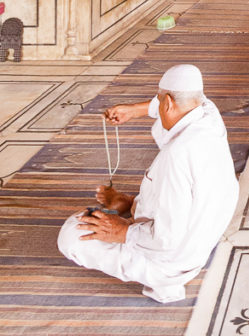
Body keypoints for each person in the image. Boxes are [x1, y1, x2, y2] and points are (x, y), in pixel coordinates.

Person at [58, 64, 239, 304]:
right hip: (203, 230)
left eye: (159, 99)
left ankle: (164, 281)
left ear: (168, 104)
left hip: (173, 258)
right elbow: (180, 98)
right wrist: (134, 110)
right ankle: (131, 205)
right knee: (118, 214)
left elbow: (168, 237)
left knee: (73, 233)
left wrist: (122, 231)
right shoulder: (208, 114)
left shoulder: (177, 155)